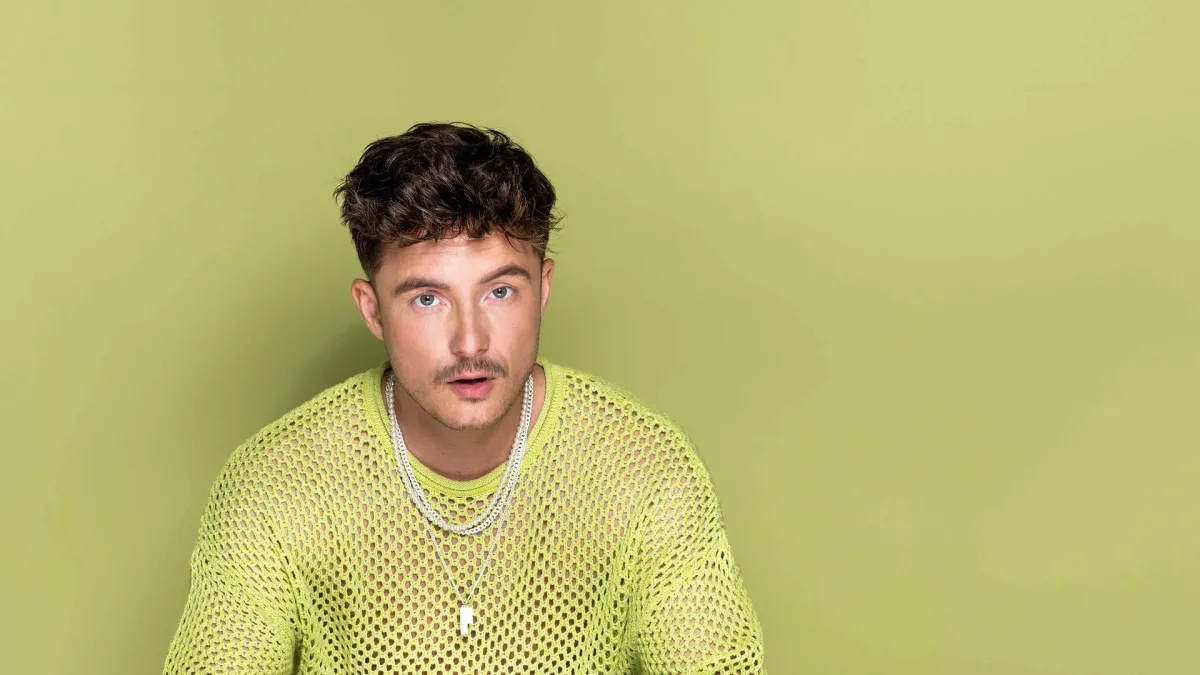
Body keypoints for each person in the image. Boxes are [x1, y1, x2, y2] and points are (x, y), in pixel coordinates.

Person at [163, 122, 767, 674]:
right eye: (427, 299)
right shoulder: (276, 483)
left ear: (543, 289)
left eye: (500, 291)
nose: (470, 341)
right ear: (373, 311)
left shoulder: (645, 467)